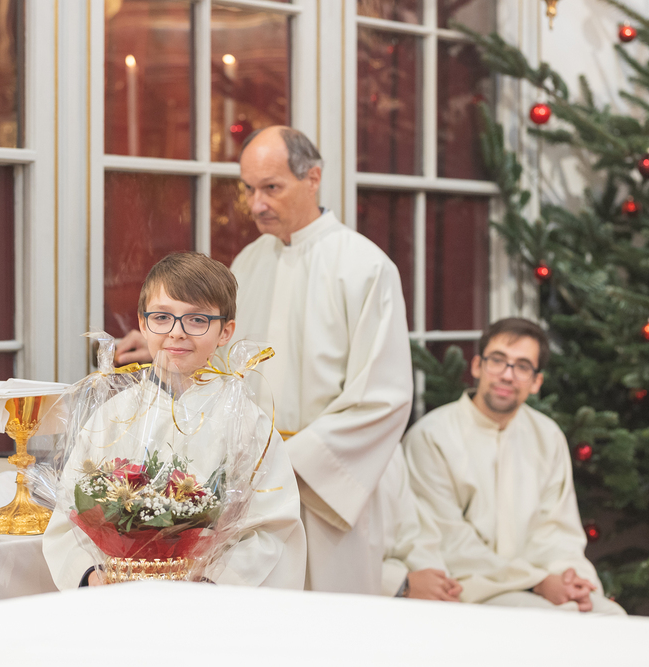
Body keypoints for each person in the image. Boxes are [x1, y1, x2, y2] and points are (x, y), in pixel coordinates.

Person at [115, 126, 413, 594]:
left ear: (313, 178)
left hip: (328, 488)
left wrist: (280, 462)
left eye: (271, 188)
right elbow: (221, 359)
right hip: (249, 483)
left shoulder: (366, 267)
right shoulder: (249, 262)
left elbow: (382, 396)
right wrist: (166, 342)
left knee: (332, 615)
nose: (256, 205)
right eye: (249, 189)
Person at [44, 252, 306, 589]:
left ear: (225, 331)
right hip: (119, 595)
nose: (177, 332)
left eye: (197, 320)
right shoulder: (112, 416)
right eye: (162, 317)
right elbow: (67, 516)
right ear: (142, 324)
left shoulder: (248, 423)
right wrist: (90, 574)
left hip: (207, 600)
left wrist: (209, 580)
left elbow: (272, 528)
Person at [403, 318, 626, 614]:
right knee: (551, 621)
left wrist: (569, 578)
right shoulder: (432, 436)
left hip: (540, 580)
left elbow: (557, 531)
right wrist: (536, 582)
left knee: (611, 616)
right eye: (497, 361)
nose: (507, 375)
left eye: (522, 366)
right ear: (477, 366)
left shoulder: (547, 437)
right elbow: (449, 541)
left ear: (536, 382)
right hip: (469, 586)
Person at [379, 453, 462, 601]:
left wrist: (442, 586)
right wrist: (401, 585)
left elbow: (413, 536)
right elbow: (342, 568)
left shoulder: (391, 453)